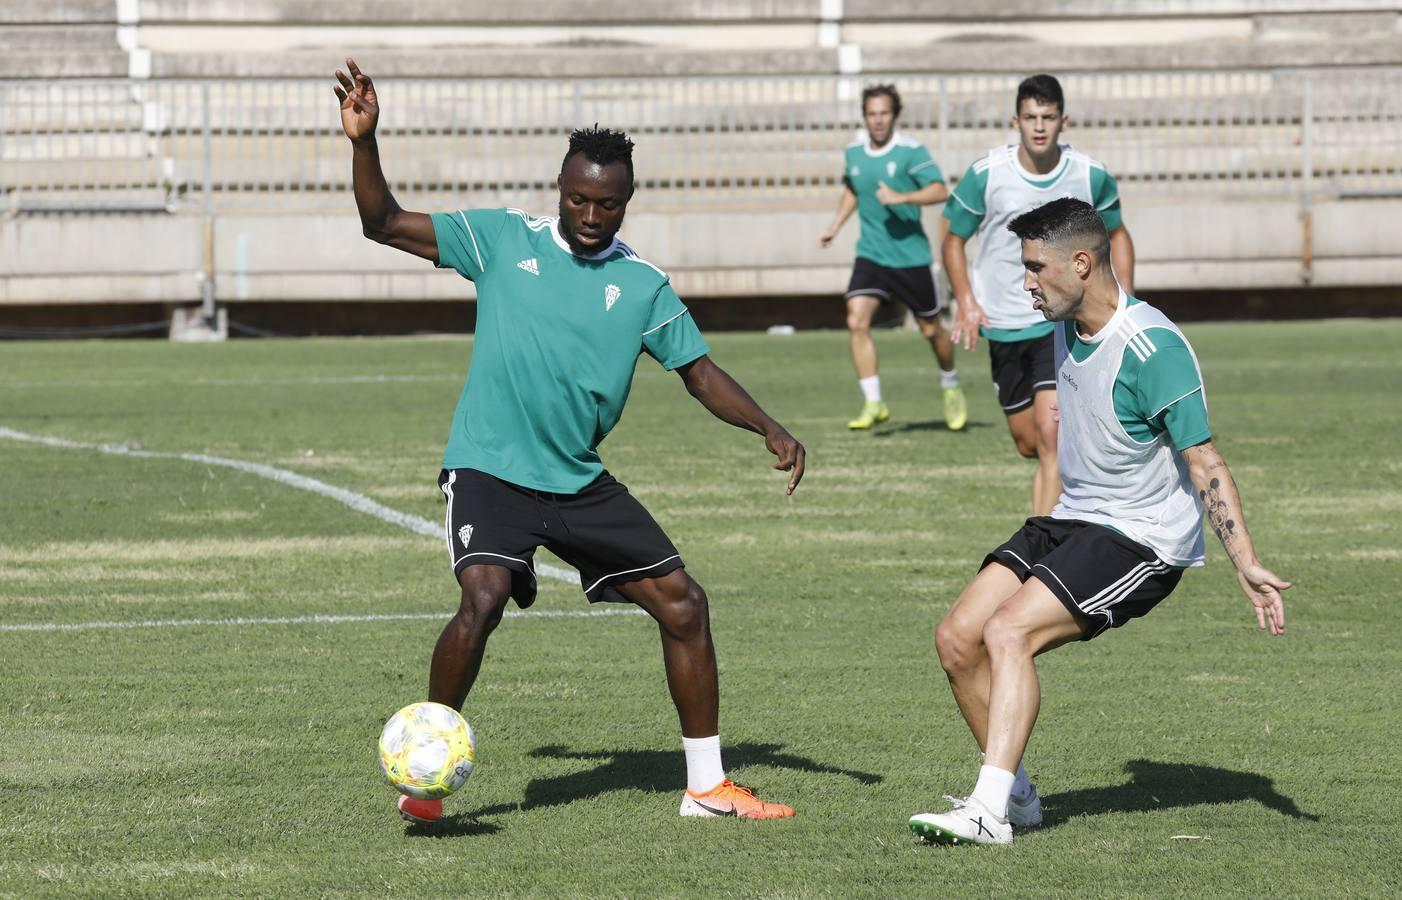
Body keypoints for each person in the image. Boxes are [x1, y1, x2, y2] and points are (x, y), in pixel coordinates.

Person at [334, 59, 806, 824]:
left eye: (608, 204)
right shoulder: (498, 240)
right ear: (559, 189)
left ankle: (707, 786)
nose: (592, 214)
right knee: (482, 598)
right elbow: (381, 222)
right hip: (490, 468)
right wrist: (365, 142)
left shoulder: (644, 285)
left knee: (685, 604)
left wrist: (771, 428)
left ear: (627, 201)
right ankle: (422, 778)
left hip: (578, 481)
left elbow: (700, 373)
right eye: (580, 198)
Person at [909, 198, 1290, 846]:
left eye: (1035, 267)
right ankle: (1020, 798)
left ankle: (987, 810)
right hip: (1075, 515)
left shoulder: (1152, 348)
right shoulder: (1062, 322)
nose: (1024, 282)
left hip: (1141, 537)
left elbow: (1205, 462)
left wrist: (1245, 561)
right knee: (956, 637)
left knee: (1007, 634)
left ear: (1081, 263)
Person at [943, 74, 1136, 514]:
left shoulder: (1090, 175)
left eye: (1048, 117)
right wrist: (966, 300)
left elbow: (1119, 235)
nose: (1039, 126)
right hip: (1004, 324)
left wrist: (1122, 302)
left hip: (1061, 322)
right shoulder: (987, 175)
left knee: (1052, 437)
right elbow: (952, 238)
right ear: (1016, 120)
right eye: (1030, 117)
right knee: (1029, 442)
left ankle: (1043, 551)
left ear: (1063, 120)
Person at [818, 83, 966, 432]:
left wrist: (901, 198)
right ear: (865, 117)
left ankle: (950, 382)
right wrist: (835, 226)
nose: (878, 120)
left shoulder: (911, 152)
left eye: (884, 113)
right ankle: (873, 401)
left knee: (932, 330)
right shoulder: (854, 153)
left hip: (910, 257)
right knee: (856, 320)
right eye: (872, 113)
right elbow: (854, 189)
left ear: (894, 115)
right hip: (870, 255)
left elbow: (939, 190)